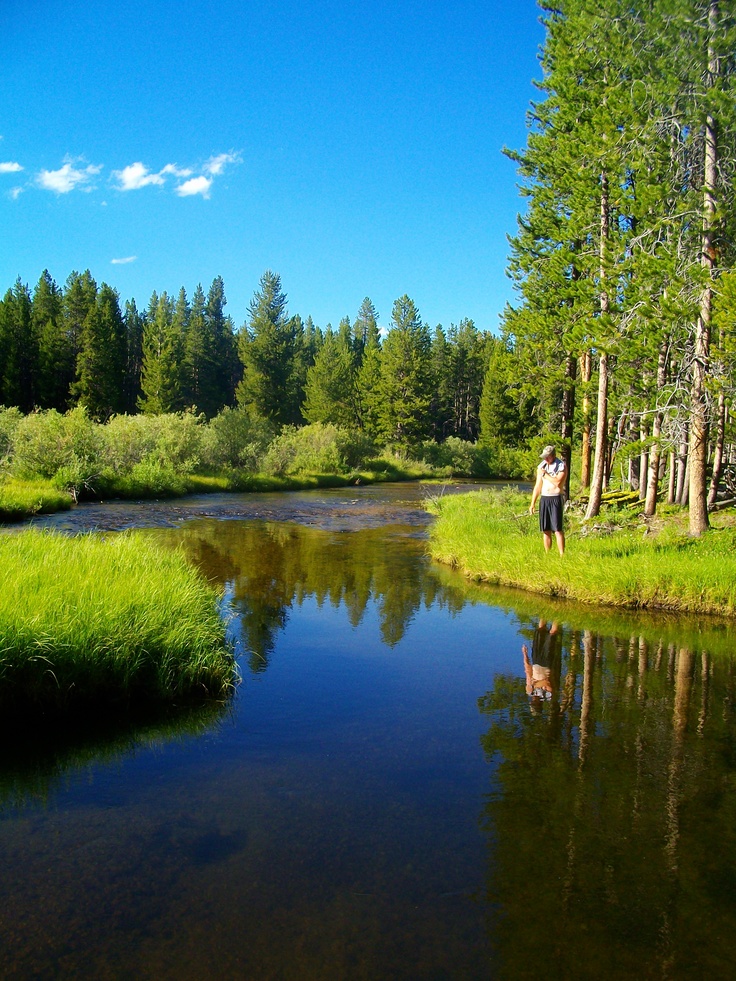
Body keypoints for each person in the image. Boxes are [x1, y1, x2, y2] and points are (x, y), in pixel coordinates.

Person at [529, 444, 566, 555]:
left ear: (553, 455)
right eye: (544, 456)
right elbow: (537, 486)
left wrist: (545, 474)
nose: (545, 459)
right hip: (545, 498)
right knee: (546, 529)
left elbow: (558, 482)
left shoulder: (561, 466)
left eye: (547, 456)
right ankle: (547, 554)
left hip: (556, 498)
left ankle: (562, 555)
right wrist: (532, 503)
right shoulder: (541, 467)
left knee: (557, 529)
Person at [522, 620, 562, 712]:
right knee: (552, 634)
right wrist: (537, 683)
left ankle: (544, 612)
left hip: (536, 662)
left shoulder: (529, 691)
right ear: (539, 704)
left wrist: (525, 654)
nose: (533, 701)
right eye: (535, 704)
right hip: (546, 664)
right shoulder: (547, 696)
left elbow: (528, 672)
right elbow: (547, 683)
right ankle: (558, 615)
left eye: (533, 703)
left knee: (540, 630)